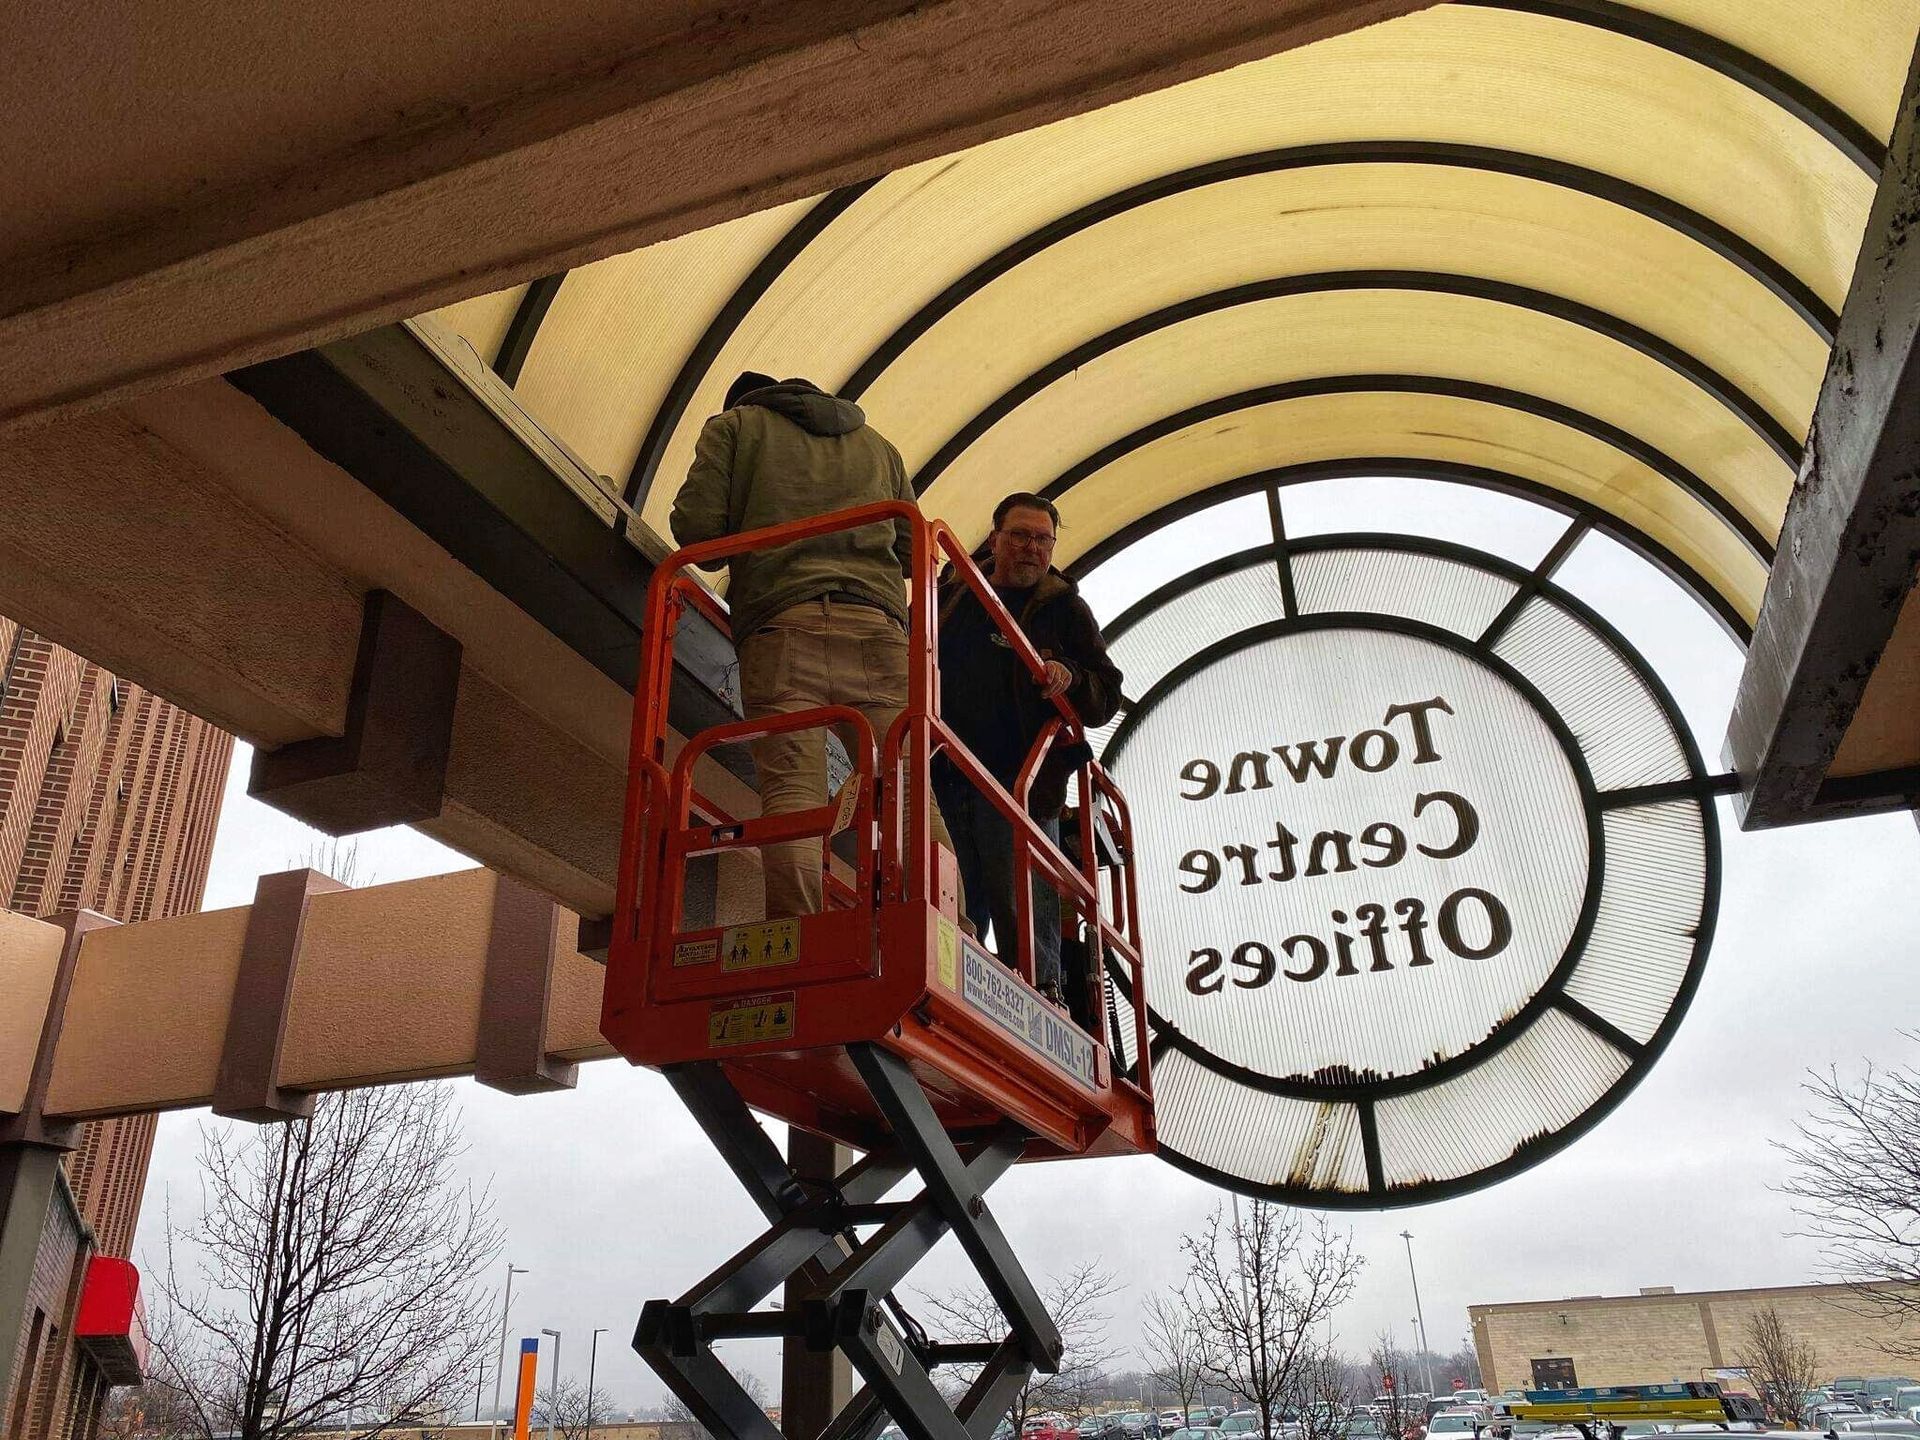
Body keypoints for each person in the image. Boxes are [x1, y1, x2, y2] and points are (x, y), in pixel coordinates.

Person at [671, 371, 958, 919]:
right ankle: (946, 931)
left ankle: (799, 934)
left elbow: (698, 532)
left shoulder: (735, 426)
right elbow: (911, 554)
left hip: (782, 625)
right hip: (877, 631)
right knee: (908, 791)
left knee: (793, 793)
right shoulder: (879, 447)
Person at [932, 492, 1123, 1003]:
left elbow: (1107, 694)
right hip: (946, 778)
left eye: (1043, 539)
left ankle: (1043, 1000)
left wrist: (1071, 675)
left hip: (1022, 789)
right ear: (994, 539)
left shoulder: (1065, 610)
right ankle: (949, 995)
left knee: (1024, 917)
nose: (1031, 548)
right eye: (1019, 535)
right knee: (950, 905)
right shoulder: (951, 594)